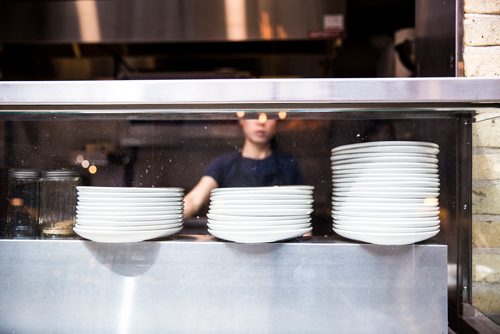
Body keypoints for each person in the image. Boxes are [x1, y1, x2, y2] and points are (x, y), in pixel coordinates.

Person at [183, 118, 304, 219]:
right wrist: (165, 223)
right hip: (232, 243)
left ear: (277, 121)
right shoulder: (223, 164)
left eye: (268, 115)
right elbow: (194, 200)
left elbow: (300, 211)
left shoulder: (289, 164)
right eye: (254, 115)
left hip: (279, 243)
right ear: (242, 120)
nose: (261, 121)